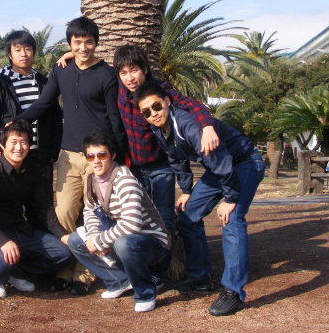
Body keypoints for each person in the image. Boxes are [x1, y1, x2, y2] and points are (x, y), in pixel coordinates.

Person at [133, 81, 265, 317]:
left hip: (244, 162)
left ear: (167, 101)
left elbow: (221, 160)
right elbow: (176, 158)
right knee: (187, 214)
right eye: (146, 112)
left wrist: (230, 198)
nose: (153, 114)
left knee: (232, 219)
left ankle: (233, 291)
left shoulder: (188, 125)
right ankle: (199, 276)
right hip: (220, 169)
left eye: (156, 106)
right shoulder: (160, 129)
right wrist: (186, 190)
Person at [16, 17, 127, 295]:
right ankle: (63, 270)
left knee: (93, 215)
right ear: (70, 44)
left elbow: (114, 118)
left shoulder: (106, 74)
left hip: (97, 158)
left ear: (96, 43)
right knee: (64, 213)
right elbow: (45, 102)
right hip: (68, 154)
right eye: (77, 42)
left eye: (89, 42)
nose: (83, 47)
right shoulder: (61, 69)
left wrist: (120, 157)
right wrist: (18, 122)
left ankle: (84, 274)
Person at [112, 45, 219, 288]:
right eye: (124, 72)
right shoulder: (118, 89)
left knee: (163, 221)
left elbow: (191, 105)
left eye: (134, 70)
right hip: (134, 170)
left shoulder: (159, 90)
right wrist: (71, 54)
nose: (130, 77)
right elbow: (91, 65)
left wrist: (207, 126)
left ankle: (160, 273)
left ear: (145, 69)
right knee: (136, 220)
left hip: (161, 168)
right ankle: (140, 270)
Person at [67, 130, 171, 313]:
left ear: (113, 155)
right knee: (76, 240)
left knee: (124, 244)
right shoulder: (93, 180)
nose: (96, 161)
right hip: (121, 236)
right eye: (91, 156)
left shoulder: (124, 180)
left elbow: (132, 224)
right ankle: (120, 281)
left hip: (151, 241)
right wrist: (93, 236)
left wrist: (100, 241)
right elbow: (90, 210)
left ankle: (145, 294)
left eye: (102, 155)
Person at [0, 120, 73, 298]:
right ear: (2, 145)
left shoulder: (31, 171)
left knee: (64, 253)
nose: (19, 147)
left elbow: (43, 209)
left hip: (18, 230)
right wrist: (2, 240)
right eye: (13, 142)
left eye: (23, 142)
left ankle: (15, 272)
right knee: (1, 257)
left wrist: (63, 235)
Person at [0, 30, 62, 187]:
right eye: (17, 50)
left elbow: (55, 118)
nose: (23, 54)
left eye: (28, 49)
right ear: (10, 54)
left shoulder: (44, 83)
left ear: (34, 51)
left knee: (41, 201)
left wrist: (53, 152)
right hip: (10, 157)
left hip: (41, 158)